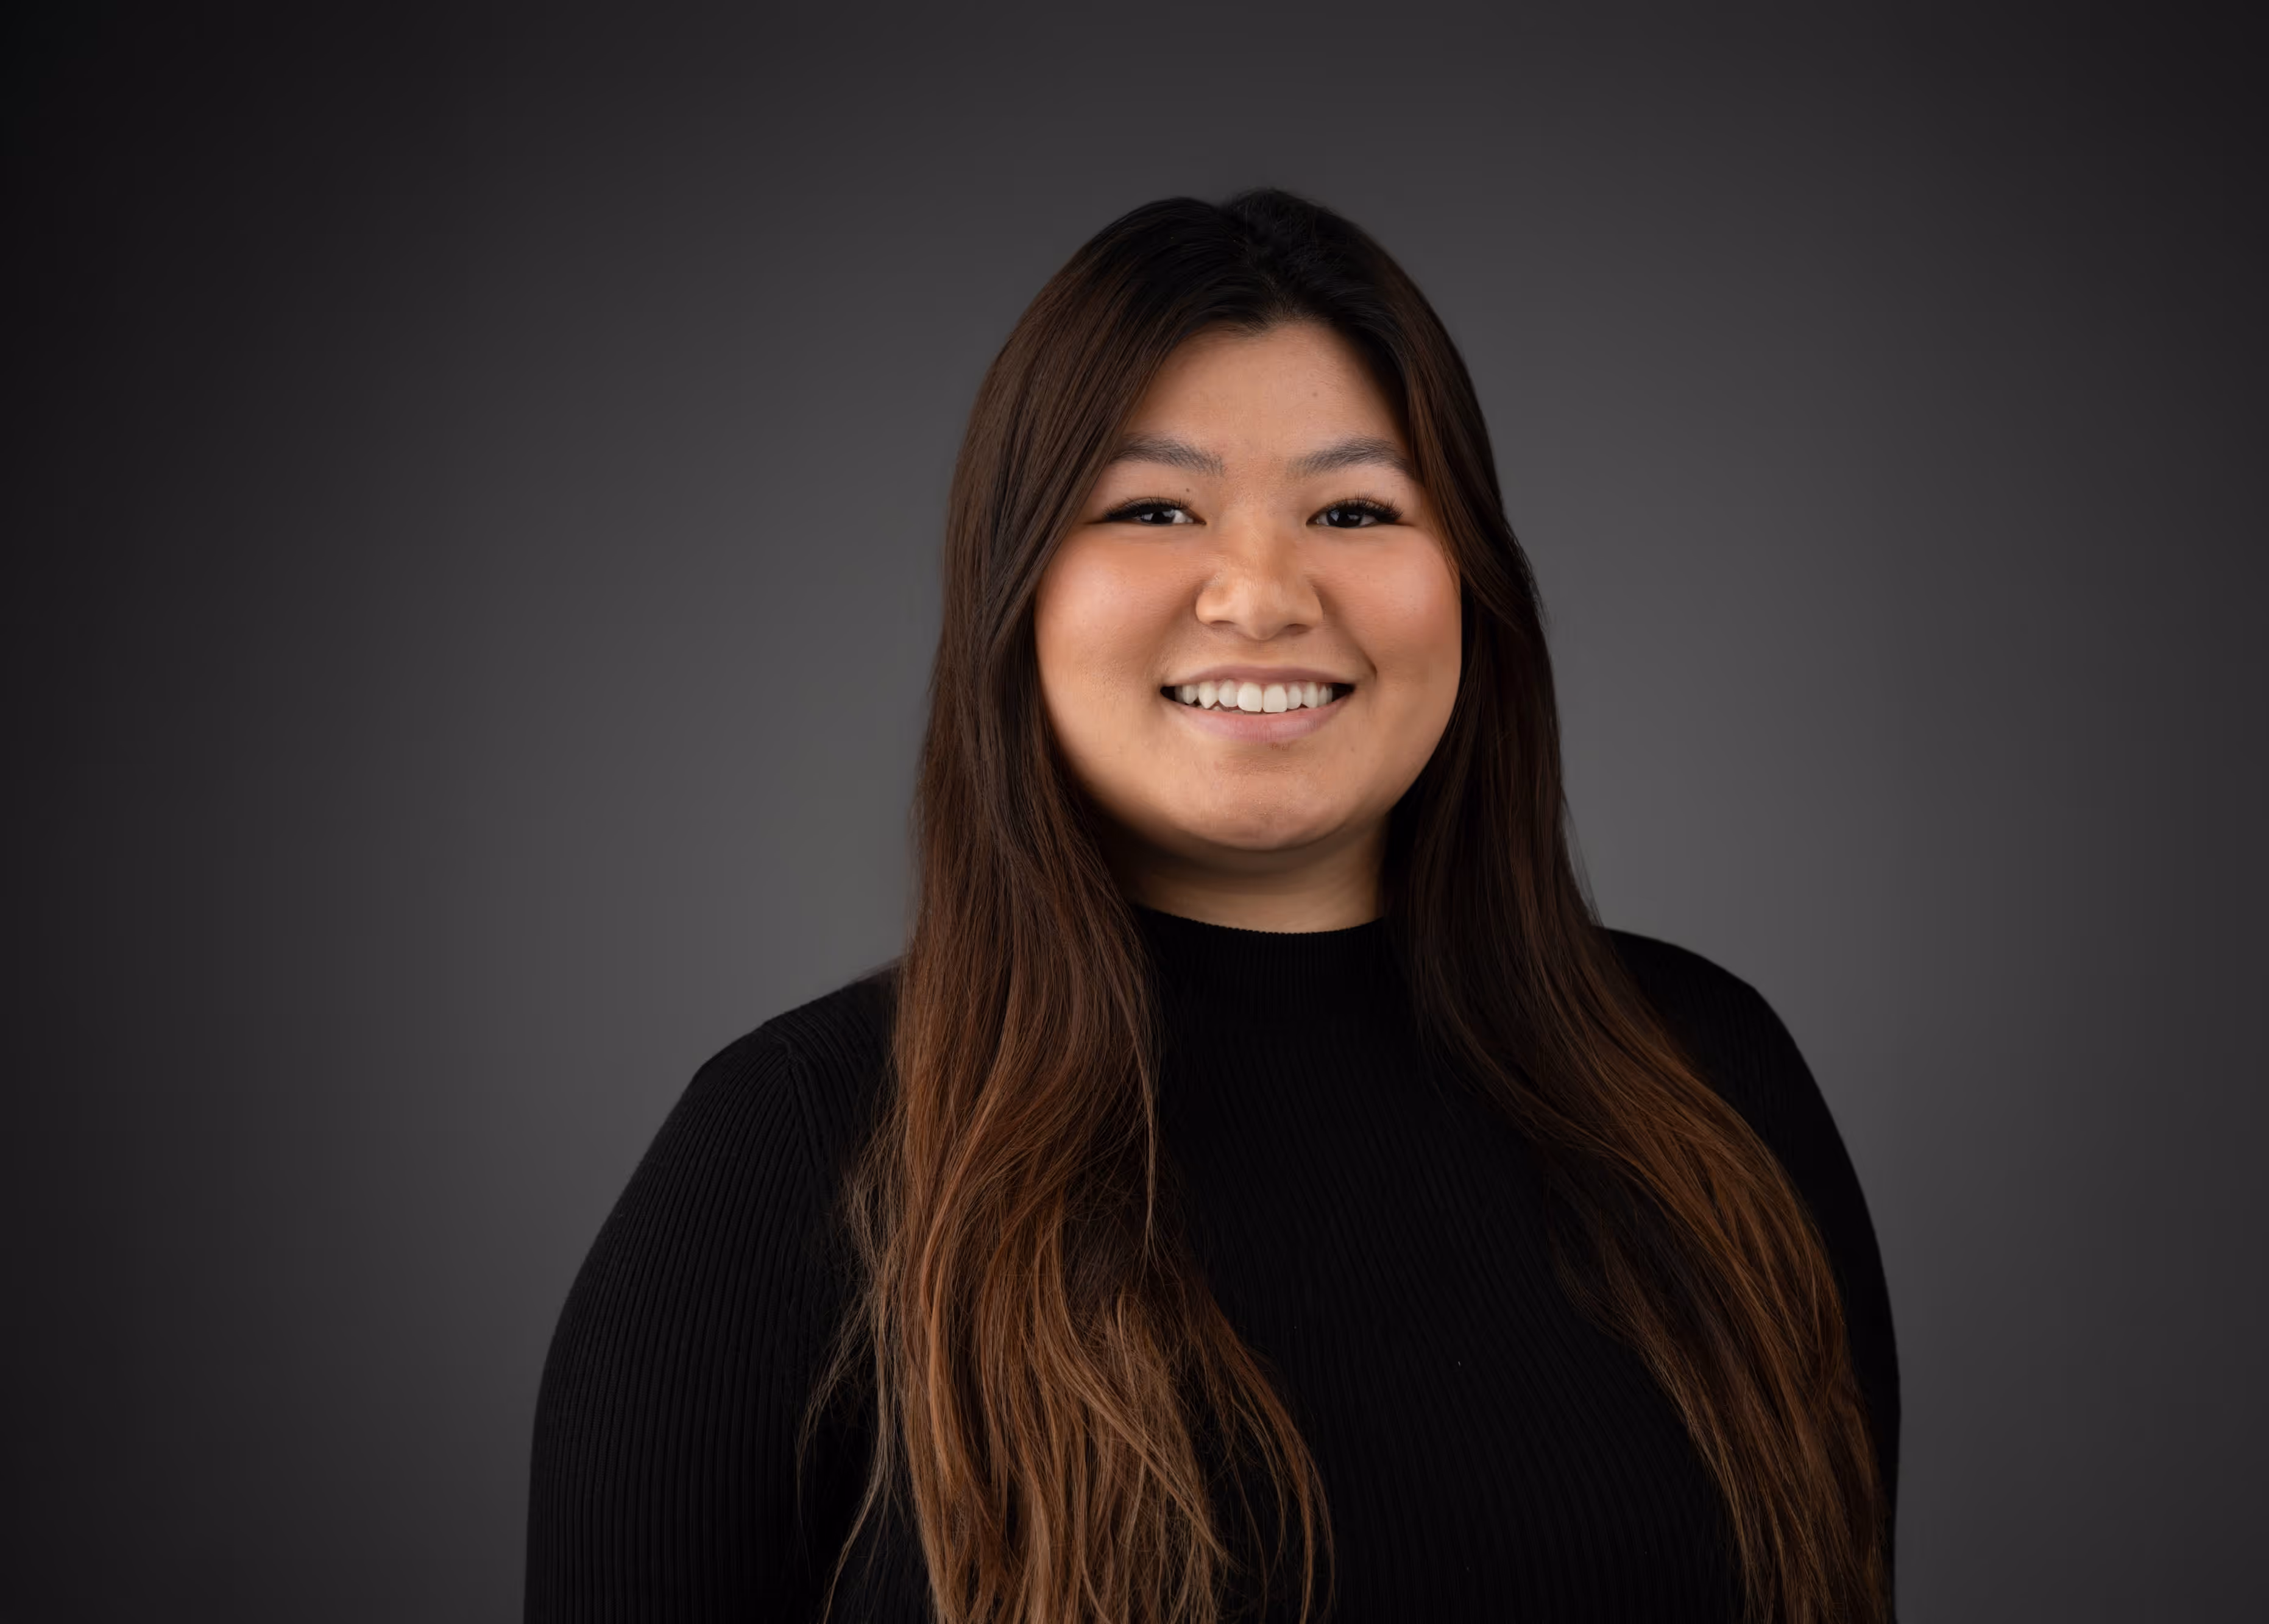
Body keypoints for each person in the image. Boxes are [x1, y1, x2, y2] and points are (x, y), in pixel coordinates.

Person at [525, 189, 1899, 1624]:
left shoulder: (1705, 1084)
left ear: (1471, 586)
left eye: (1353, 510)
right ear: (1018, 591)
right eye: (1153, 510)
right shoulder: (786, 1152)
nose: (1259, 595)